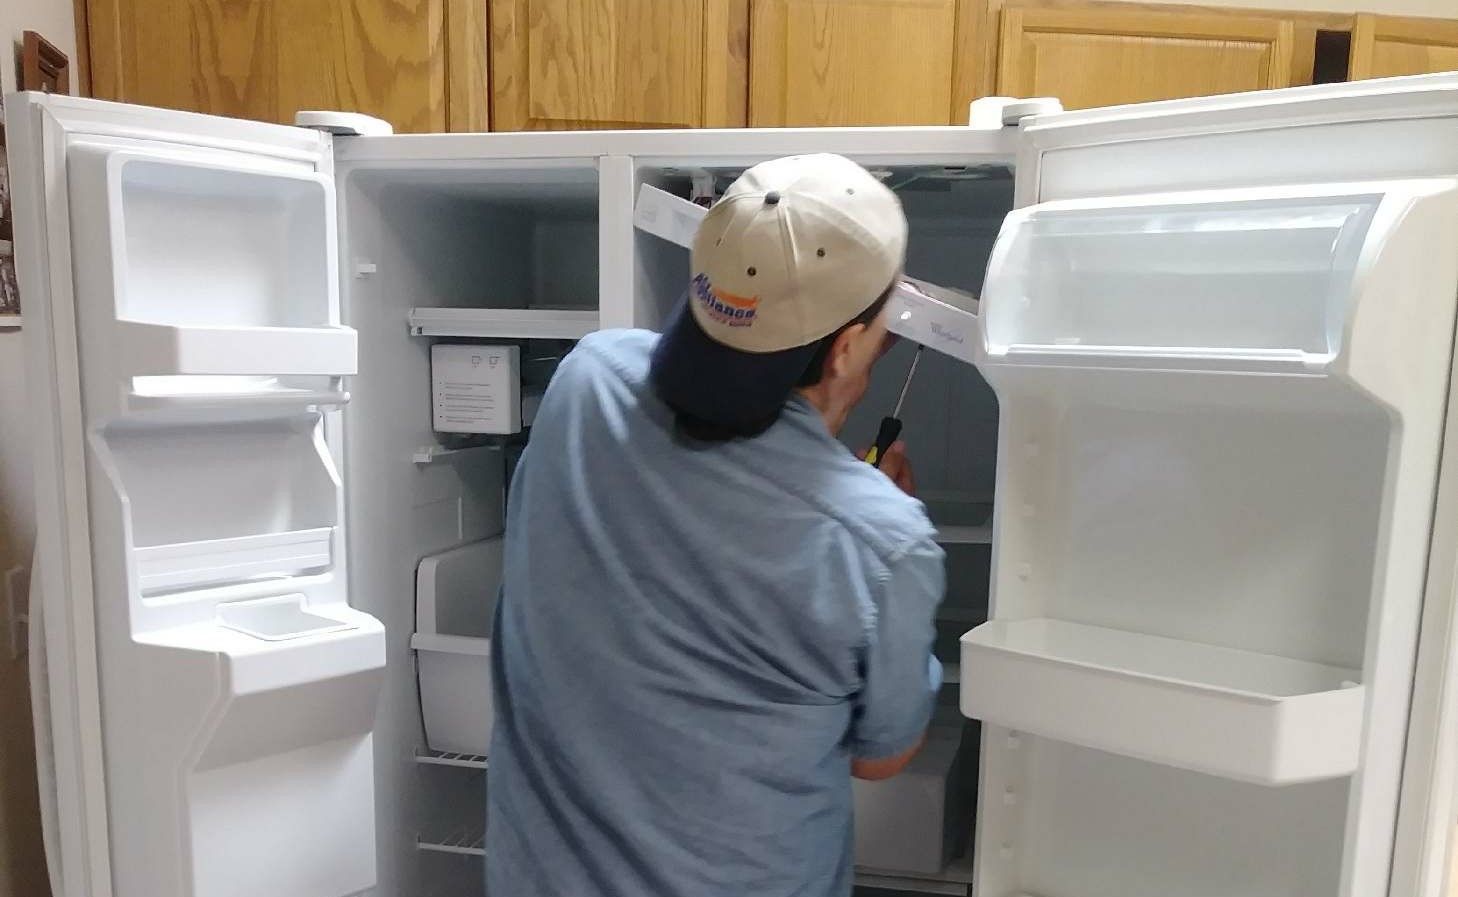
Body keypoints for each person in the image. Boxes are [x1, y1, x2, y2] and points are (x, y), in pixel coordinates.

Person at [486, 154, 946, 897]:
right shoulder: (880, 537)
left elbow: (712, 482)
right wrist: (853, 493)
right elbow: (881, 755)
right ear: (843, 348)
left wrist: (824, 452)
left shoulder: (587, 379)